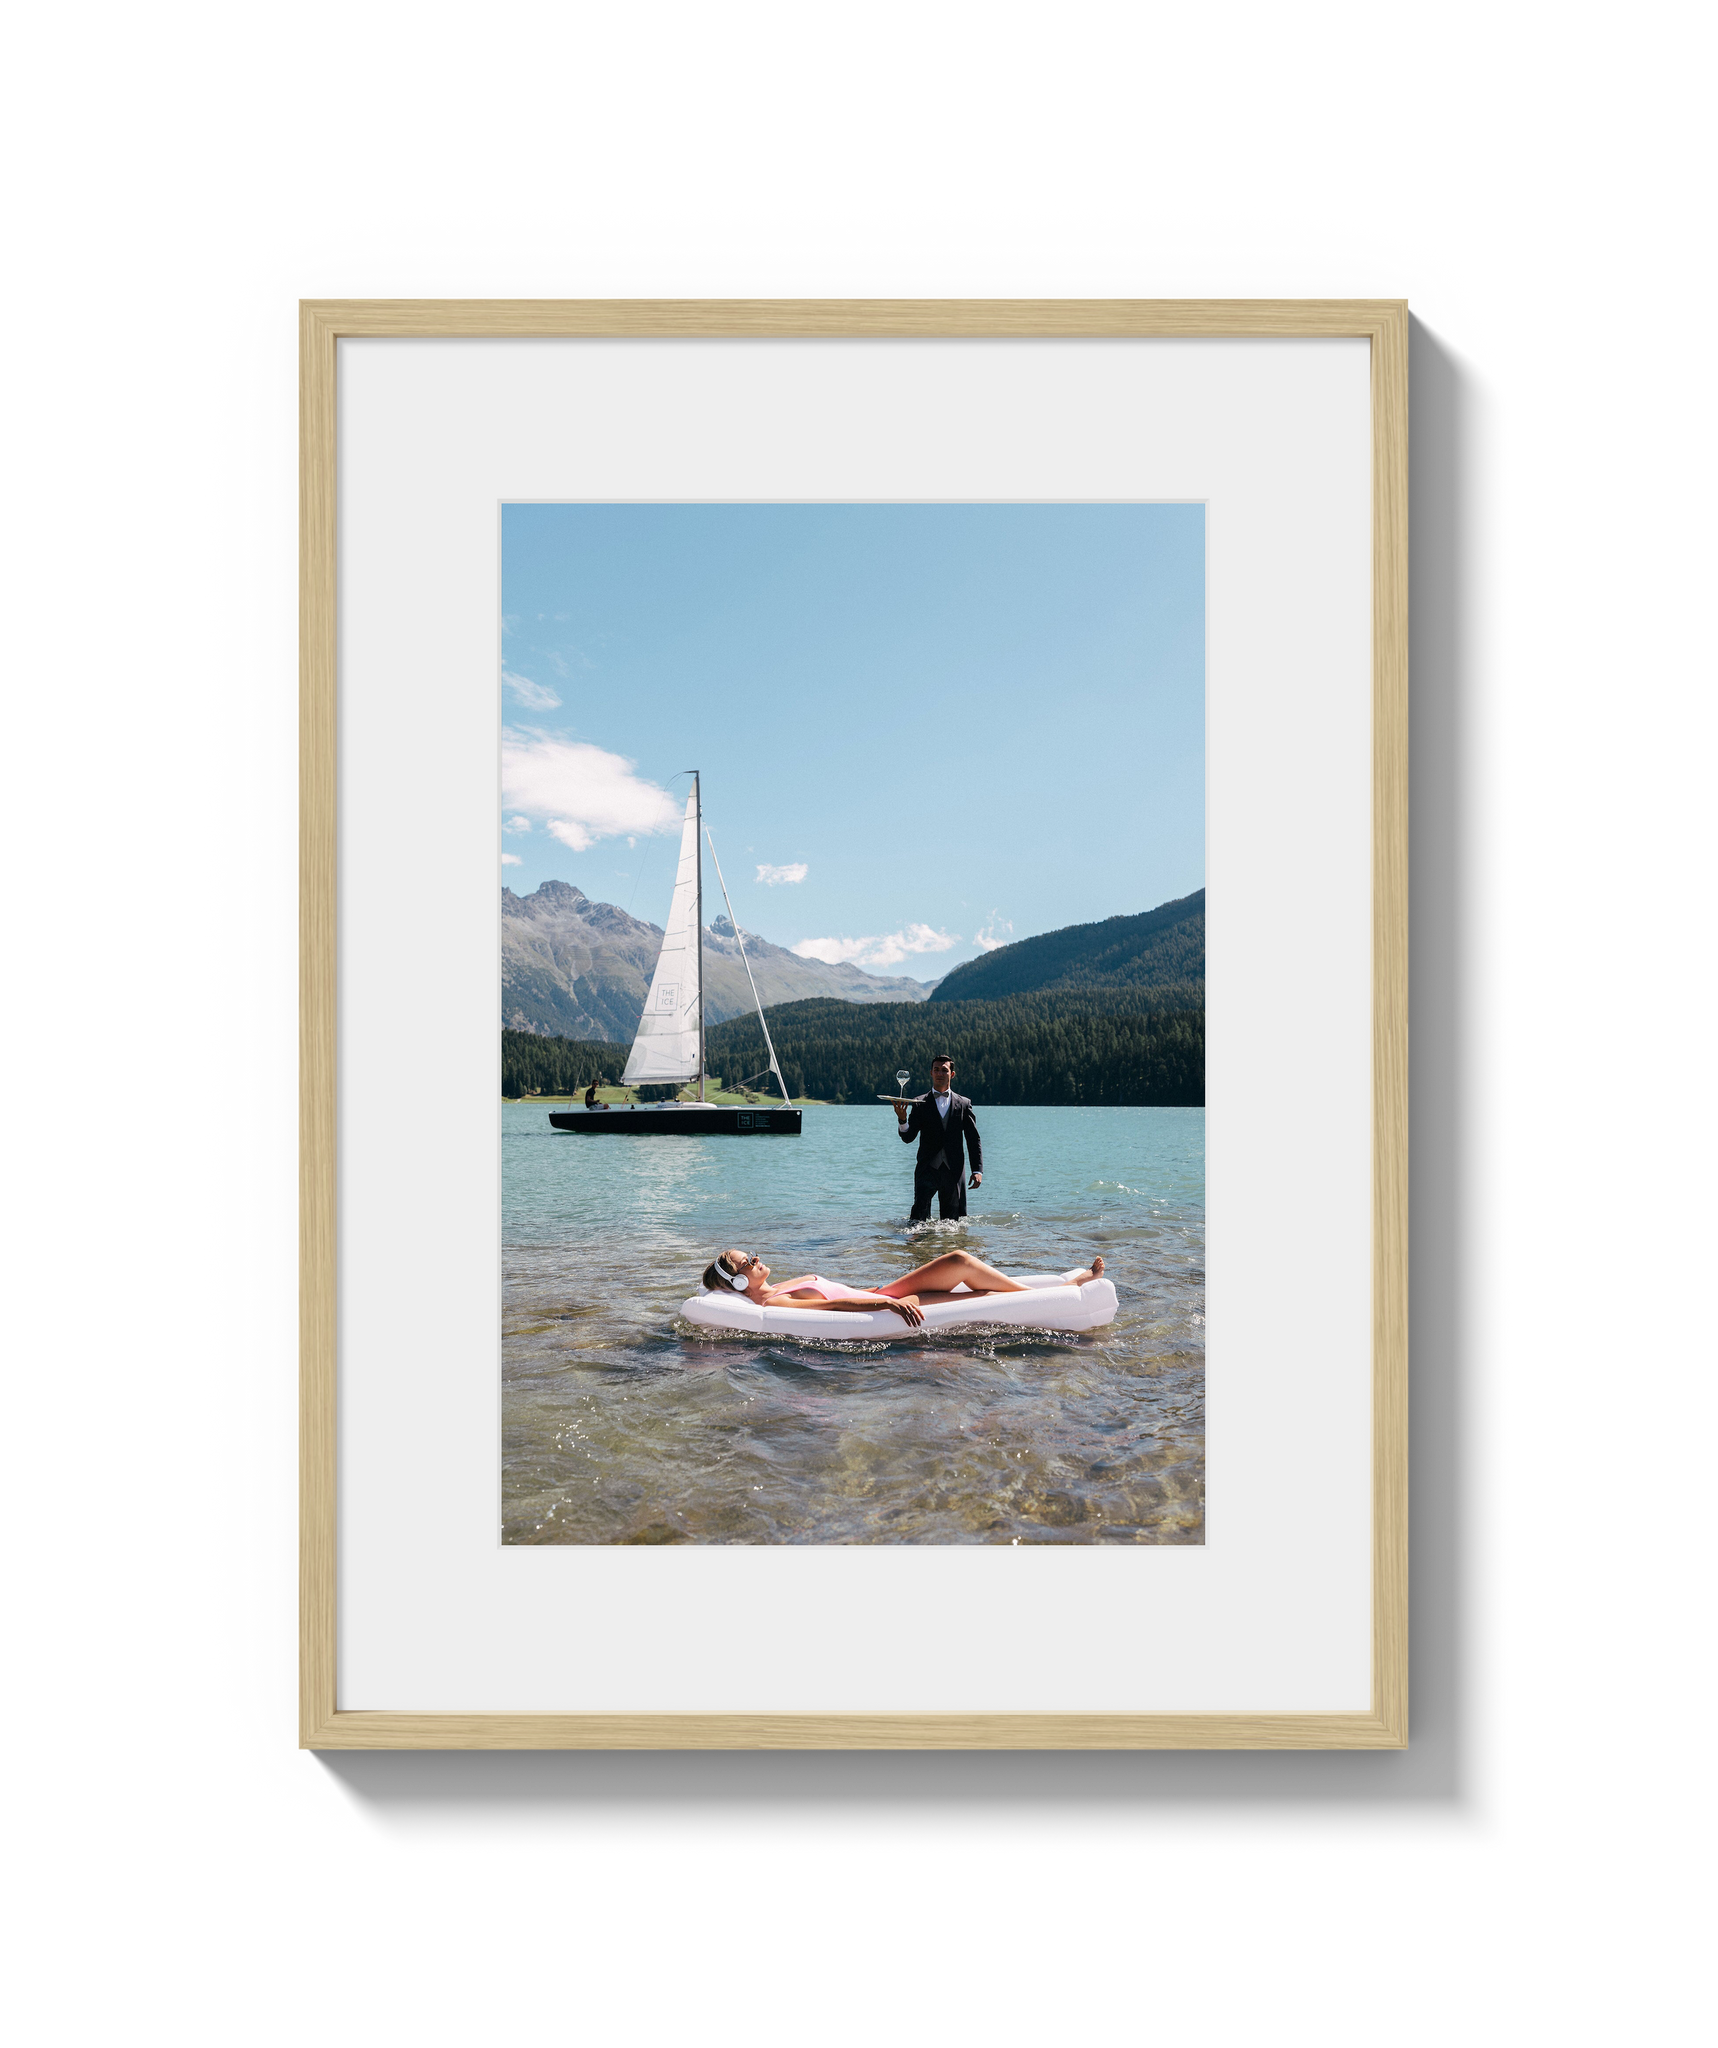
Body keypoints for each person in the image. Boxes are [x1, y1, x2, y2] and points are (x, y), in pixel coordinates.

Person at [701, 1248, 1105, 1327]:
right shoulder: (777, 1302)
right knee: (962, 1266)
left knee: (964, 1271)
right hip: (887, 1302)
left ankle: (1065, 1283)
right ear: (738, 1281)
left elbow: (839, 1290)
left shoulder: (777, 1285)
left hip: (884, 1290)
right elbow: (833, 1307)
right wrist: (888, 1307)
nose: (755, 1258)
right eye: (746, 1262)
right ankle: (1068, 1287)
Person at [894, 1054, 982, 1219]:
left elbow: (973, 1139)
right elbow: (908, 1137)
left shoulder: (963, 1104)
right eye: (936, 1070)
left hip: (954, 1170)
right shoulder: (919, 1103)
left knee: (953, 1224)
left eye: (944, 1070)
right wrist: (902, 1119)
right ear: (931, 1073)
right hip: (926, 1169)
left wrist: (977, 1170)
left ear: (952, 1074)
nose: (940, 1073)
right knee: (918, 1221)